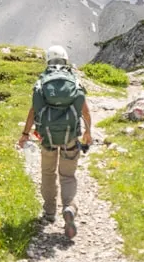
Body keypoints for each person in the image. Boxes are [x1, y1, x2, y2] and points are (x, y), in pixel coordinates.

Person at [17, 45, 92, 240]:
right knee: (67, 175)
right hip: (70, 137)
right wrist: (88, 134)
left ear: (48, 61)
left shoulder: (42, 83)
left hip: (47, 138)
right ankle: (69, 207)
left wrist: (25, 133)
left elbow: (33, 111)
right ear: (66, 61)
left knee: (48, 173)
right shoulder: (74, 81)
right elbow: (84, 111)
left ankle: (49, 212)